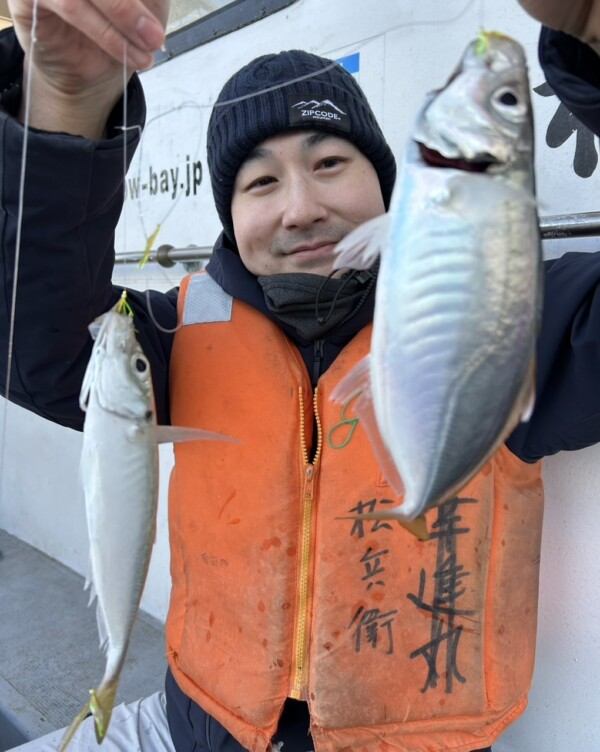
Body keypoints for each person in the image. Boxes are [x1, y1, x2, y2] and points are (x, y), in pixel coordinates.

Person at [1, 0, 600, 750]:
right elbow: (38, 345)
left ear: (395, 181)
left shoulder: (511, 317)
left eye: (328, 164)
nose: (300, 208)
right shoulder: (170, 337)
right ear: (228, 217)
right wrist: (66, 106)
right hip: (192, 728)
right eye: (259, 184)